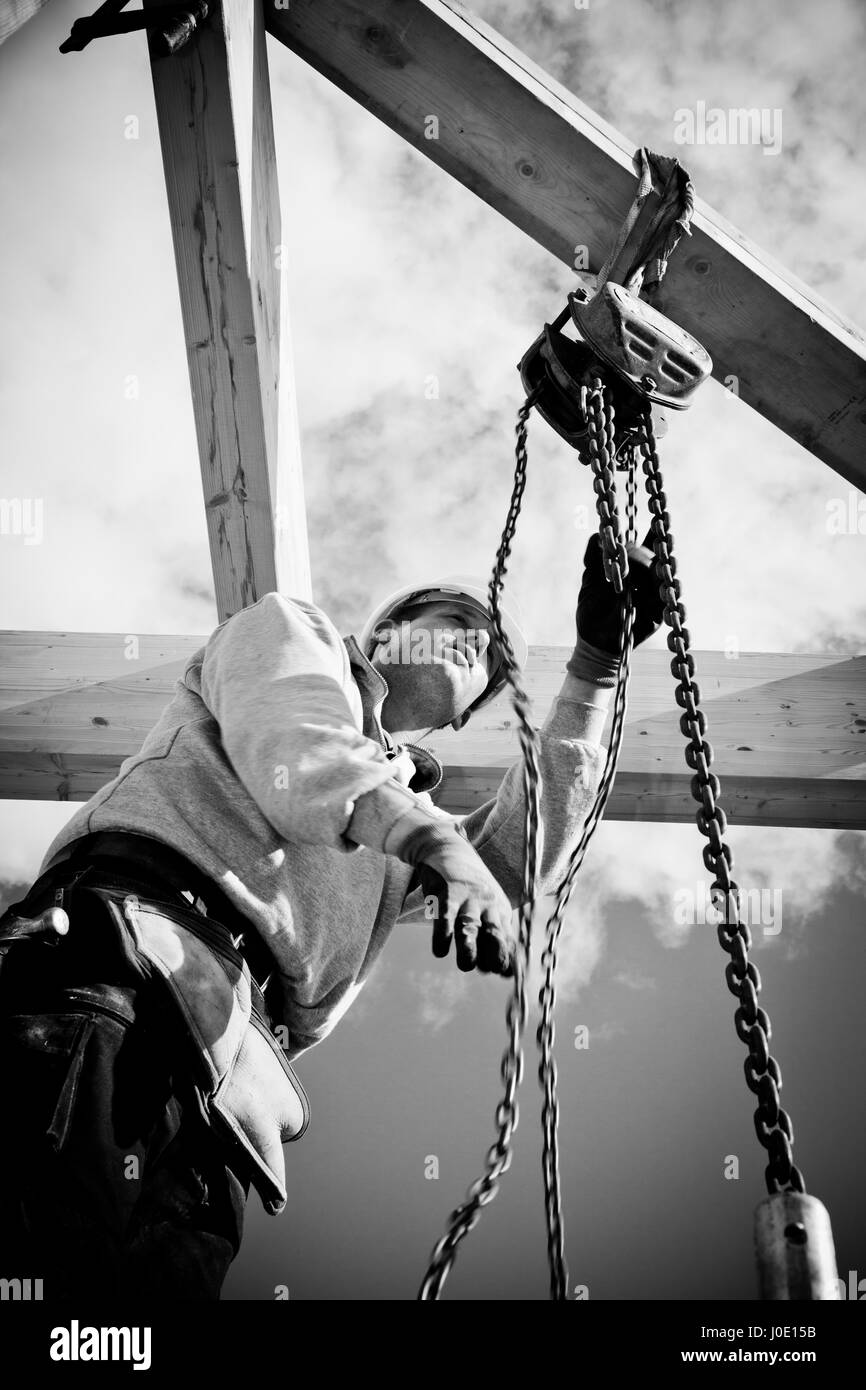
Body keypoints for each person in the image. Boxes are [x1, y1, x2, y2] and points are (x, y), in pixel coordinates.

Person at [0, 531, 663, 1300]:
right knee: (42, 1254)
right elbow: (295, 743)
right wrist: (439, 848)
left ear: (462, 719)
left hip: (226, 1089)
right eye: (454, 618)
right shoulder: (288, 631)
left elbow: (521, 853)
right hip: (116, 972)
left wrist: (597, 668)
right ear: (384, 629)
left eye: (487, 654)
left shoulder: (396, 823)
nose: (473, 639)